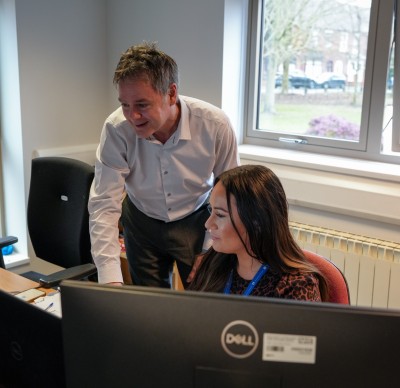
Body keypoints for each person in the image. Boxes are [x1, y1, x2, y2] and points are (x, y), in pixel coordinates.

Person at [88, 42, 240, 288]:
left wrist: (212, 251)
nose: (132, 115)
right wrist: (109, 278)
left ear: (171, 93)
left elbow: (231, 196)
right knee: (149, 308)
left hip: (196, 219)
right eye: (125, 104)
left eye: (142, 105)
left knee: (204, 299)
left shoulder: (215, 125)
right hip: (140, 219)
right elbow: (104, 203)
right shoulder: (116, 129)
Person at [188, 165, 328, 301]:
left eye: (220, 214)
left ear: (256, 222)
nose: (207, 224)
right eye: (211, 210)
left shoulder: (296, 286)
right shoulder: (213, 263)